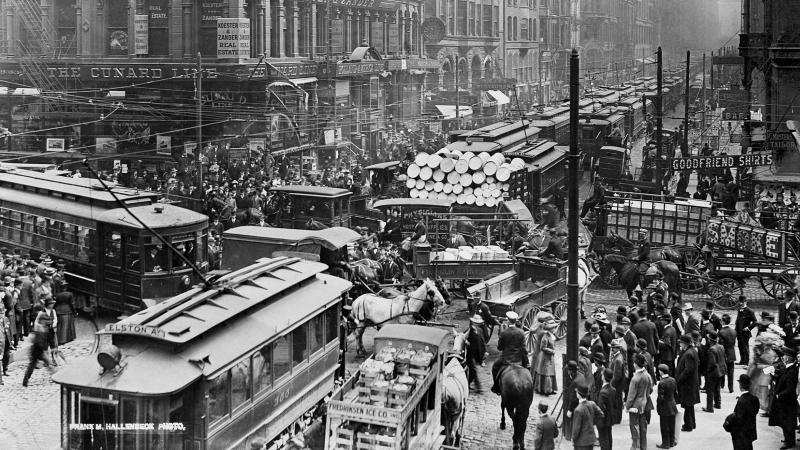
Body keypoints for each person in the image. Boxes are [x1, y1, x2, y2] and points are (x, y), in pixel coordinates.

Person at [491, 311, 528, 394]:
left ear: (508, 320)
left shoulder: (504, 333)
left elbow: (500, 348)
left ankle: (496, 387)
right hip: (519, 358)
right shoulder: (521, 332)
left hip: (507, 358)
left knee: (495, 368)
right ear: (515, 320)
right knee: (528, 367)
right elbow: (524, 348)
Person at [769, 347, 798, 449]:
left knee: (787, 423)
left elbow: (790, 388)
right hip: (786, 401)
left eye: (785, 356)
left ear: (789, 358)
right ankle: (788, 439)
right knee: (785, 422)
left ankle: (789, 442)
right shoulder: (789, 368)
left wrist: (779, 395)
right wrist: (774, 376)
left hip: (787, 401)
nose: (784, 358)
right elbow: (782, 379)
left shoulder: (793, 370)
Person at [627, 353, 654, 450]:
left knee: (634, 428)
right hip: (645, 403)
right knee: (643, 428)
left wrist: (627, 406)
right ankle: (643, 447)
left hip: (635, 405)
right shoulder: (647, 375)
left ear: (635, 364)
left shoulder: (635, 378)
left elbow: (631, 395)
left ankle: (635, 447)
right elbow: (651, 388)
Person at [729, 374, 760, 450]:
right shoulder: (755, 399)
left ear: (740, 385)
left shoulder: (741, 401)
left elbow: (738, 418)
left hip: (741, 434)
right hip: (750, 431)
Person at [676, 334, 700, 432]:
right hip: (691, 383)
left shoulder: (688, 353)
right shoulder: (692, 351)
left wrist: (679, 379)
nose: (680, 344)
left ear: (684, 343)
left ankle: (688, 425)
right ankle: (692, 423)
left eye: (681, 342)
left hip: (687, 384)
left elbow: (688, 369)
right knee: (689, 405)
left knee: (687, 404)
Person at [571, 385, 604, 450]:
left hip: (581, 442)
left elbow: (576, 428)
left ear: (579, 395)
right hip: (591, 439)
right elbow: (601, 414)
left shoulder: (578, 410)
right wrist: (591, 421)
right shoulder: (592, 404)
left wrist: (573, 438)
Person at [703, 331, 726, 412]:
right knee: (717, 389)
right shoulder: (721, 347)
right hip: (721, 371)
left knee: (710, 390)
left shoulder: (711, 350)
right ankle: (717, 404)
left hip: (713, 372)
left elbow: (712, 363)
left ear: (710, 340)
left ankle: (709, 407)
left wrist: (707, 371)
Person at [533, 319, 558, 395]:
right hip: (545, 357)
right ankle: (544, 389)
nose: (554, 329)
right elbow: (542, 348)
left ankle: (550, 388)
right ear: (550, 329)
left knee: (550, 372)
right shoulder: (545, 337)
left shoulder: (552, 336)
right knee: (546, 372)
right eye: (553, 328)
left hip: (550, 357)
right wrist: (551, 351)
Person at [656, 363, 678, 449]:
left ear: (661, 372)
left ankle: (665, 444)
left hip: (665, 407)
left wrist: (658, 405)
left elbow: (660, 398)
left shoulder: (661, 383)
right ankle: (672, 442)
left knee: (664, 427)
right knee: (672, 425)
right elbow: (676, 393)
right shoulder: (673, 380)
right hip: (672, 405)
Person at [596, 368, 616, 450]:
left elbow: (601, 408)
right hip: (610, 419)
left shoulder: (603, 392)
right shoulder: (613, 389)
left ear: (604, 377)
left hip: (603, 420)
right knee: (609, 438)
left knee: (603, 441)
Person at [465, 315, 486, 392]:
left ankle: (470, 385)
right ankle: (477, 386)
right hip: (470, 353)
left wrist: (485, 351)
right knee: (473, 370)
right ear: (473, 322)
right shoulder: (469, 331)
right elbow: (462, 338)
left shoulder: (480, 330)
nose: (477, 324)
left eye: (478, 323)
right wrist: (466, 342)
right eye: (475, 323)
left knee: (473, 371)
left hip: (478, 353)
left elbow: (482, 341)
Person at [609, 338, 627, 424]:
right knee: (617, 400)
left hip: (617, 385)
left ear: (617, 348)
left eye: (613, 348)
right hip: (619, 384)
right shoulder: (618, 357)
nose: (612, 349)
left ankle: (617, 418)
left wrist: (611, 385)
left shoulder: (617, 360)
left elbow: (616, 376)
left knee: (617, 401)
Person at [735, 295, 757, 365]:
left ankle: (746, 362)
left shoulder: (750, 311)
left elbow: (755, 322)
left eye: (742, 302)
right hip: (739, 332)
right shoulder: (739, 309)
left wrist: (748, 328)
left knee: (745, 347)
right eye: (740, 302)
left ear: (745, 302)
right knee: (740, 346)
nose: (741, 303)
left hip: (745, 332)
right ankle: (742, 360)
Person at [719, 314, 737, 393]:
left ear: (723, 321)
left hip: (724, 353)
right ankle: (731, 388)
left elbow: (721, 345)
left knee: (722, 369)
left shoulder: (721, 332)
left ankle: (722, 384)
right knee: (731, 371)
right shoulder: (733, 331)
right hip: (732, 352)